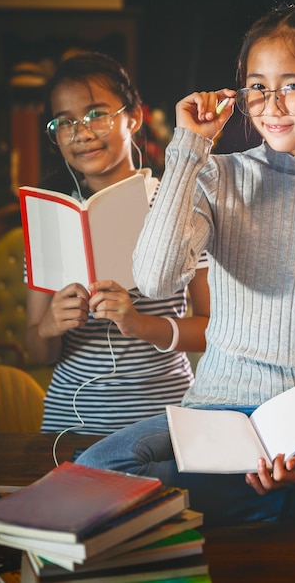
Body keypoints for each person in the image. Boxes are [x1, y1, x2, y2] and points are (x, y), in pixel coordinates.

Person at [77, 2, 295, 525]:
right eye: (257, 86)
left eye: (292, 86)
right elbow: (156, 277)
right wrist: (189, 148)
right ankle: (289, 493)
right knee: (96, 467)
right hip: (218, 411)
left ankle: (266, 489)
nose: (271, 105)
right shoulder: (217, 176)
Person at [25, 51, 210, 435]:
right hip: (70, 424)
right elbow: (36, 351)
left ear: (133, 117)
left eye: (97, 114)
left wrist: (140, 323)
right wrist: (47, 326)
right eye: (65, 122)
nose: (82, 132)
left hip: (166, 420)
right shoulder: (51, 220)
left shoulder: (180, 203)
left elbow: (214, 330)